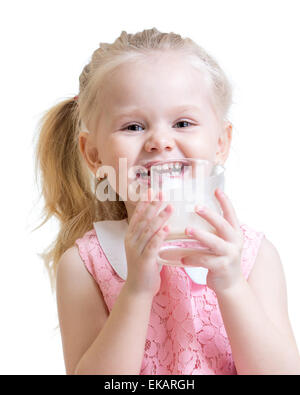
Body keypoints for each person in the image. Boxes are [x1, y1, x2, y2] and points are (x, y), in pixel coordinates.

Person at [34, 27, 300, 375]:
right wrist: (137, 291)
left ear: (221, 142)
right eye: (132, 127)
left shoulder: (253, 256)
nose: (160, 141)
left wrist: (232, 284)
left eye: (183, 122)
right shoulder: (86, 264)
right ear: (94, 154)